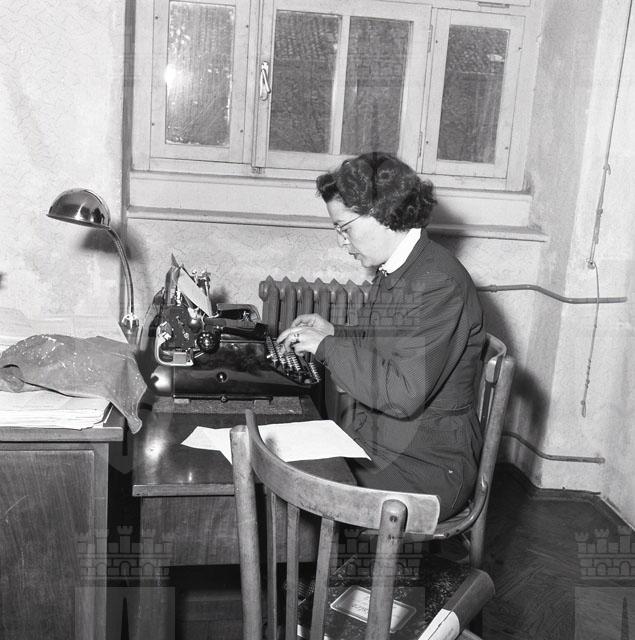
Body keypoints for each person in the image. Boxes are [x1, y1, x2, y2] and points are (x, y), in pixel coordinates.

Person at [277, 152, 485, 520]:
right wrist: (333, 332)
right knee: (286, 460)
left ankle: (325, 557)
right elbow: (387, 342)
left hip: (428, 465)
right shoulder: (401, 269)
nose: (342, 242)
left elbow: (403, 394)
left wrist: (327, 347)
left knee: (293, 481)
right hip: (388, 442)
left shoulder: (438, 283)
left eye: (345, 228)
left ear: (382, 212)